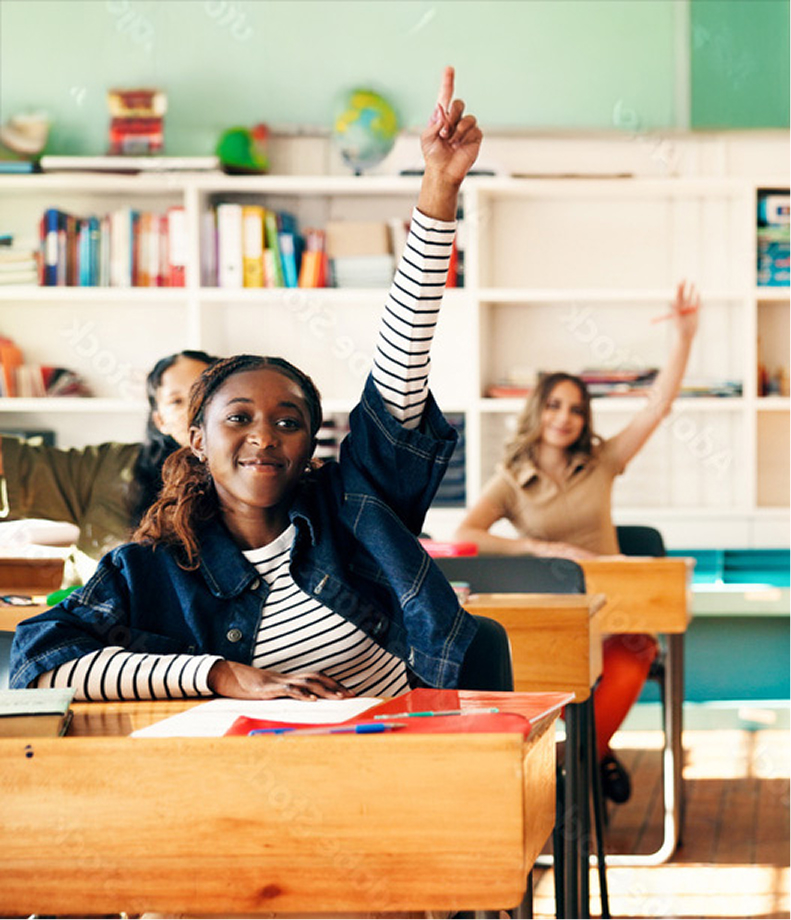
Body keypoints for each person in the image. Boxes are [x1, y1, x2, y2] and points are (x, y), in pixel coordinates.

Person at [10, 67, 484, 702]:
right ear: (197, 438)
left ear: (310, 442)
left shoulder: (356, 512)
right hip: (249, 776)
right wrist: (222, 674)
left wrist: (438, 189)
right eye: (238, 418)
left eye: (289, 421)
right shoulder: (152, 566)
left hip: (399, 756)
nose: (265, 435)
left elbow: (401, 360)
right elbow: (36, 661)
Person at [454, 280, 701, 802]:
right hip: (557, 615)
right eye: (555, 406)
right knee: (547, 667)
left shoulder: (603, 461)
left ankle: (573, 761)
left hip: (614, 613)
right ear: (539, 410)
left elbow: (657, 406)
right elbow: (465, 535)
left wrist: (683, 337)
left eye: (575, 409)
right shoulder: (512, 478)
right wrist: (539, 550)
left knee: (637, 649)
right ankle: (599, 759)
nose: (564, 418)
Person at [0, 349, 217, 561]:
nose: (192, 409)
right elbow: (20, 466)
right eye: (176, 401)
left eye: (201, 395)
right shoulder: (115, 466)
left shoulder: (247, 473)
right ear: (160, 421)